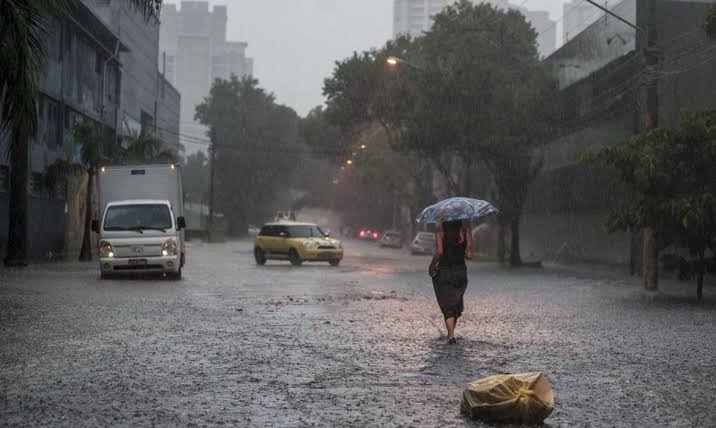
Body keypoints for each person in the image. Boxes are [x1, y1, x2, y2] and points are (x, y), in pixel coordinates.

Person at [428, 219, 473, 344]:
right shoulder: (465, 232)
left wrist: (431, 267)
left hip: (445, 272)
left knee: (448, 305)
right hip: (461, 273)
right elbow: (469, 255)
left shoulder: (440, 231)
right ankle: (451, 334)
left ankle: (451, 335)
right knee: (455, 304)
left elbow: (439, 252)